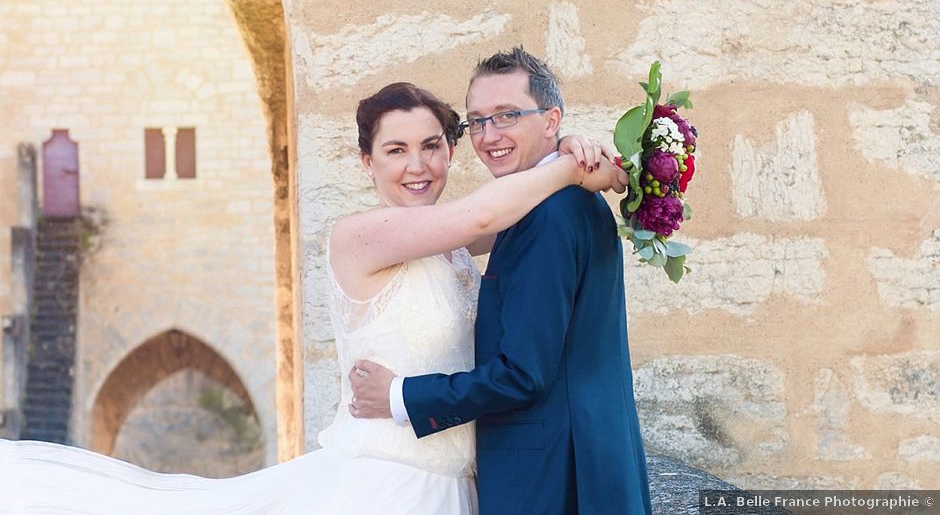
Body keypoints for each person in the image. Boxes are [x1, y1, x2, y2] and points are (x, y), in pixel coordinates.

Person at [0, 81, 626, 515]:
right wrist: (570, 163)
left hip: (457, 484)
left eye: (431, 146)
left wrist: (573, 142)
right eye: (396, 150)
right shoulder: (362, 236)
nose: (417, 166)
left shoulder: (457, 249)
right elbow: (492, 206)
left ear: (451, 151)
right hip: (389, 483)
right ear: (366, 162)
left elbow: (517, 207)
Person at [349, 48, 654, 515]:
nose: (490, 135)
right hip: (415, 472)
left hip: (549, 476)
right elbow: (483, 216)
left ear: (550, 119)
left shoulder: (545, 215)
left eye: (507, 115)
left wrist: (400, 395)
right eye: (477, 121)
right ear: (366, 161)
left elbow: (522, 373)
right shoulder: (374, 233)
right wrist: (568, 160)